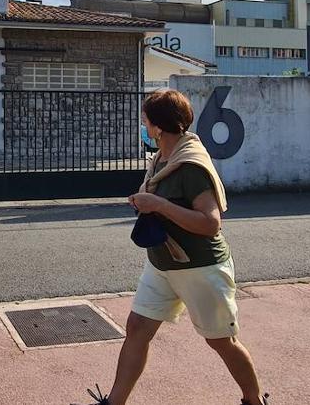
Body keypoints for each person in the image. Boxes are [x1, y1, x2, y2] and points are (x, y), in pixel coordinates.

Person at [78, 89, 268, 405]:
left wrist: (158, 204)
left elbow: (210, 223)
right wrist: (147, 204)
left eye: (145, 121)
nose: (143, 126)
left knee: (221, 341)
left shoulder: (190, 165)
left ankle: (254, 400)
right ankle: (114, 402)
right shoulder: (160, 160)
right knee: (137, 327)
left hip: (200, 268)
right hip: (162, 264)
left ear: (158, 127)